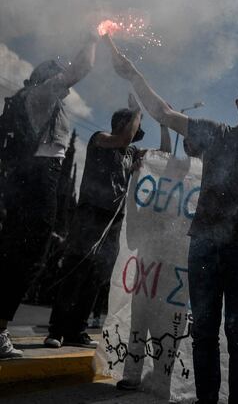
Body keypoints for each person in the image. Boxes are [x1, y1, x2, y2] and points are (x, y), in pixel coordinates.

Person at [104, 35, 238, 404]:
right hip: (206, 246)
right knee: (206, 331)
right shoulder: (215, 133)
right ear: (237, 103)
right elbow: (163, 112)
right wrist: (132, 74)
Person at [45, 100, 171, 348]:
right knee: (76, 270)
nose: (136, 134)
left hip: (113, 222)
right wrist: (138, 110)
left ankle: (77, 330)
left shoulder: (131, 154)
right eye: (135, 125)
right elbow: (123, 139)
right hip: (89, 215)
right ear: (122, 124)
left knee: (96, 276)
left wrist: (165, 124)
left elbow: (164, 153)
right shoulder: (99, 139)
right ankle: (57, 330)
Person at [0, 35, 96, 359]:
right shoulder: (41, 94)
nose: (64, 81)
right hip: (38, 181)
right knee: (24, 256)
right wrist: (95, 34)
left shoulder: (44, 99)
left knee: (18, 254)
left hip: (37, 180)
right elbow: (82, 67)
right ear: (48, 77)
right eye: (58, 73)